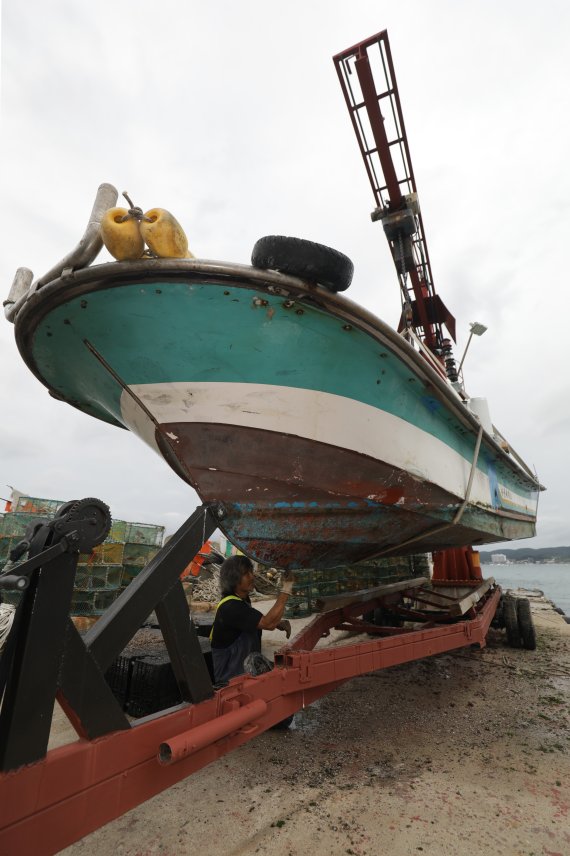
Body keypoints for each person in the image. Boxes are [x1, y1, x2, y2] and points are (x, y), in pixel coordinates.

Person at [210, 555, 294, 684]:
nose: (252, 576)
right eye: (246, 574)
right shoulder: (231, 606)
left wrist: (277, 623)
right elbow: (268, 623)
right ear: (234, 579)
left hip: (242, 671)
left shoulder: (242, 600)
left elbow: (251, 621)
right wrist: (286, 588)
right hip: (229, 680)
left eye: (251, 571)